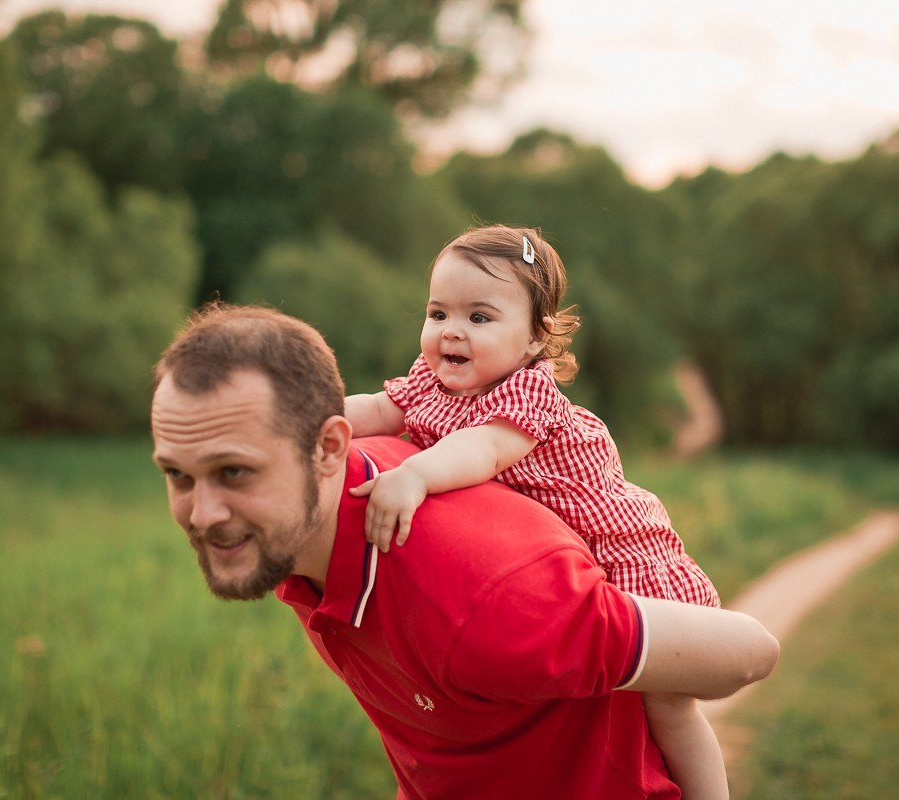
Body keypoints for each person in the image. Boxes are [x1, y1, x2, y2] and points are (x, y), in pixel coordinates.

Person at [151, 302, 779, 799]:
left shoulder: (489, 600)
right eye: (178, 475)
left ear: (327, 449)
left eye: (234, 472)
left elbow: (750, 649)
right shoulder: (292, 540)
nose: (202, 515)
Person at [345, 224, 728, 797]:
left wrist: (416, 476)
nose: (451, 332)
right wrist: (308, 420)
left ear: (533, 340)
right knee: (592, 716)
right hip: (558, 569)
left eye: (479, 318)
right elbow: (377, 408)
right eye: (438, 313)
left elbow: (485, 448)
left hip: (625, 559)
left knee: (666, 708)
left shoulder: (527, 393)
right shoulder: (431, 380)